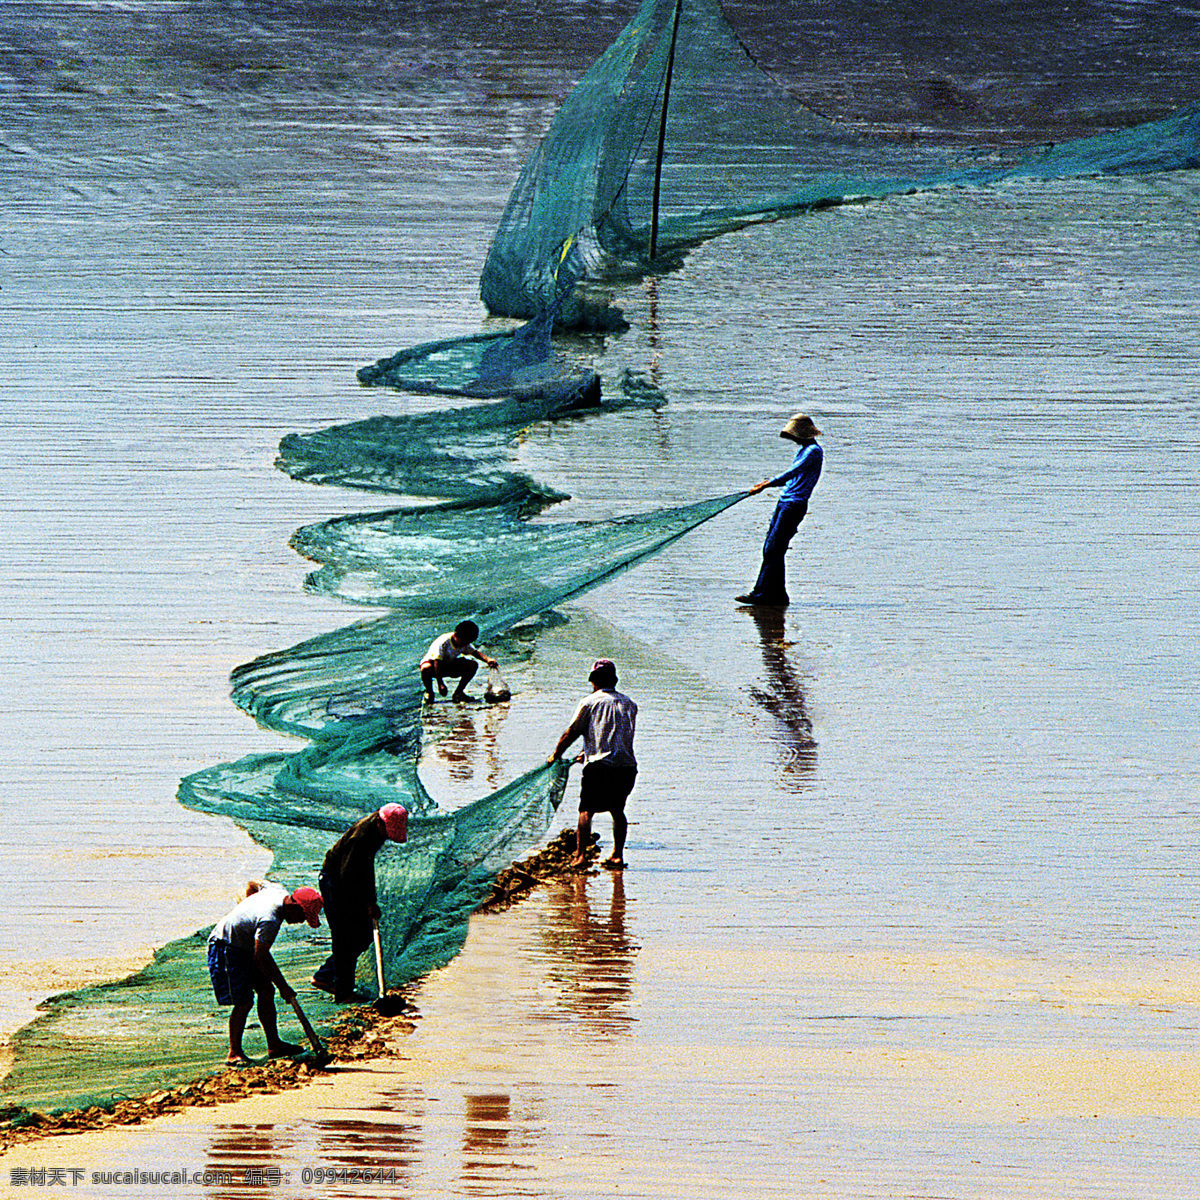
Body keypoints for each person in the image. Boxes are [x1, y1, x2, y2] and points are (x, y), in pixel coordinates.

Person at [207, 881, 323, 1063]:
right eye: (303, 916)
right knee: (244, 1001)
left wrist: (247, 911)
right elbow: (261, 958)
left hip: (245, 945)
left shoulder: (277, 890)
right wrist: (284, 986)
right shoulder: (270, 920)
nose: (301, 921)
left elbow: (252, 884)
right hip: (226, 945)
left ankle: (274, 1044)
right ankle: (234, 1052)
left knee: (267, 990)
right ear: (294, 906)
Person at [312, 803, 408, 1002]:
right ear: (381, 822)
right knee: (344, 936)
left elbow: (365, 871)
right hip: (335, 882)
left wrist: (371, 901)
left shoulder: (376, 831)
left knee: (364, 935)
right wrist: (365, 904)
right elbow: (347, 877)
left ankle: (325, 976)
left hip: (348, 882)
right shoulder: (361, 838)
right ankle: (343, 992)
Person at [548, 658, 637, 870]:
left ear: (593, 681)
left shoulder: (589, 702)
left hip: (599, 766)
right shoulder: (630, 704)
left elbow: (572, 732)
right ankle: (617, 855)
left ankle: (580, 857)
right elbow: (614, 733)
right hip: (626, 766)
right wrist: (585, 752)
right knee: (618, 810)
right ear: (614, 680)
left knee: (586, 810)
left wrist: (555, 754)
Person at [736, 413, 823, 608]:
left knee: (773, 548)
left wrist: (767, 484)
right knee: (772, 548)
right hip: (784, 502)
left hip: (794, 504)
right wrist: (769, 484)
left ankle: (761, 594)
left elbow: (792, 473)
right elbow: (792, 477)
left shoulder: (813, 451)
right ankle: (776, 595)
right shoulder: (803, 450)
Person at [420, 619, 498, 702]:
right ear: (456, 635)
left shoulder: (464, 643)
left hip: (449, 665)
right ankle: (429, 692)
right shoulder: (443, 642)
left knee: (473, 665)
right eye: (465, 642)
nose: (465, 644)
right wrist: (440, 683)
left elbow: (474, 652)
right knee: (425, 668)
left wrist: (488, 660)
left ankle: (458, 693)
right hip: (434, 667)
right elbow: (436, 662)